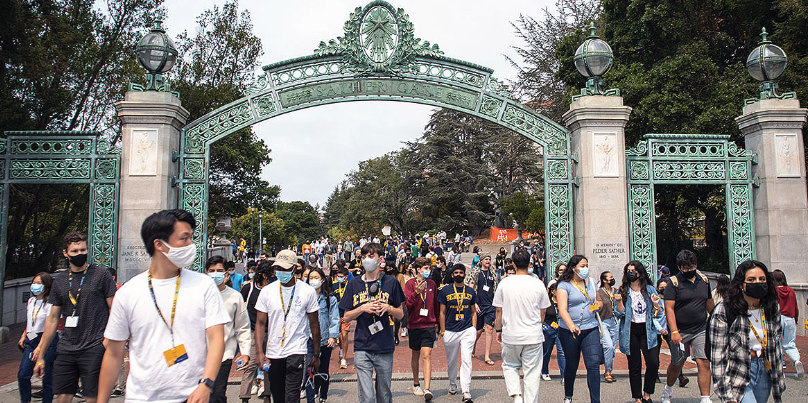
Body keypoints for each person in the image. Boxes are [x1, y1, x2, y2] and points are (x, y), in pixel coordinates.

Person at [97, 209, 230, 403]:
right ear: (159, 244)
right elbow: (113, 353)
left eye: (191, 238)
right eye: (184, 239)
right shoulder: (128, 293)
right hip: (141, 398)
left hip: (193, 396)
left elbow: (217, 337)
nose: (191, 245)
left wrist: (206, 383)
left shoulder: (204, 285)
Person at [33, 231, 117, 403]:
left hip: (94, 345)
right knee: (62, 396)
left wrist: (109, 339)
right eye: (75, 251)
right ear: (65, 253)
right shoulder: (60, 280)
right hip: (66, 347)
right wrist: (41, 354)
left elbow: (115, 309)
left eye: (82, 250)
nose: (80, 254)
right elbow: (53, 319)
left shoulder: (101, 275)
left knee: (92, 397)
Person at [709, 260, 787, 403]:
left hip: (765, 368)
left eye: (762, 279)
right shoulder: (725, 310)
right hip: (739, 370)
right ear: (741, 284)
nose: (757, 283)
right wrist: (726, 394)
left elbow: (776, 345)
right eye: (751, 280)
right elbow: (717, 356)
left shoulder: (772, 307)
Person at [339, 242, 405, 403]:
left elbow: (401, 314)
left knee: (384, 393)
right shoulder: (354, 283)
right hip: (362, 345)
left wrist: (388, 308)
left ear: (380, 259)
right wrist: (362, 308)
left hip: (384, 345)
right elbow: (346, 317)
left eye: (371, 256)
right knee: (367, 396)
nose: (366, 259)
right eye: (363, 256)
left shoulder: (391, 282)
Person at [254, 249, 321, 403]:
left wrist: (316, 354)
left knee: (292, 396)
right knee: (278, 396)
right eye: (278, 268)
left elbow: (314, 324)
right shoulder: (267, 291)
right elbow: (260, 323)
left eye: (285, 269)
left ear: (294, 268)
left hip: (296, 350)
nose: (281, 272)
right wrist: (259, 352)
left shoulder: (307, 291)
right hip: (274, 351)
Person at [493, 249, 551, 403]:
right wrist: (537, 324)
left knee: (510, 365)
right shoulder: (538, 283)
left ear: (513, 264)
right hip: (533, 334)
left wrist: (498, 329)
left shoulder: (505, 283)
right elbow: (543, 310)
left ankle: (516, 394)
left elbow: (499, 309)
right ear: (529, 263)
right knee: (532, 372)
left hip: (511, 333)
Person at [661, 250, 714, 403]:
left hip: (700, 328)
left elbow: (709, 303)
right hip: (680, 330)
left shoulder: (704, 280)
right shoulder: (673, 283)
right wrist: (674, 332)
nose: (689, 270)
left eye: (692, 267)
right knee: (677, 363)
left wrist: (716, 318)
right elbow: (669, 309)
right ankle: (668, 389)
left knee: (703, 361)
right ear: (679, 267)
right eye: (686, 268)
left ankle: (705, 397)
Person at [614, 261, 664, 403]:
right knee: (634, 366)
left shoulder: (650, 290)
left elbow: (658, 313)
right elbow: (619, 314)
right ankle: (638, 397)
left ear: (640, 273)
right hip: (631, 330)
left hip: (648, 330)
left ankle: (647, 392)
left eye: (633, 270)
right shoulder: (623, 290)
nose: (631, 273)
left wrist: (656, 305)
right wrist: (618, 302)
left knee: (653, 363)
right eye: (628, 270)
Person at [556, 255, 603, 403]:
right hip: (569, 330)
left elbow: (600, 301)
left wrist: (598, 305)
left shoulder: (592, 282)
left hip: (591, 328)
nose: (585, 269)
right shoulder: (564, 285)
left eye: (586, 265)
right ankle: (568, 396)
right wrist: (571, 325)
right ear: (574, 268)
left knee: (593, 364)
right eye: (582, 266)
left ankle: (596, 400)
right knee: (571, 364)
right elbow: (562, 309)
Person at [205, 255, 251, 403]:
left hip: (224, 353)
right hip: (199, 354)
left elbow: (243, 327)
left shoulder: (234, 297)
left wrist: (245, 353)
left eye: (219, 270)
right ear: (206, 272)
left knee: (217, 394)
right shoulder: (198, 295)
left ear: (226, 273)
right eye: (211, 270)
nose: (215, 274)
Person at [438, 264, 477, 403]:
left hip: (467, 329)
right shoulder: (445, 291)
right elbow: (442, 312)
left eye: (461, 272)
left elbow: (473, 311)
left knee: (467, 359)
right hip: (450, 329)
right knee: (452, 361)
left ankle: (466, 390)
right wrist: (442, 331)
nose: (459, 274)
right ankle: (453, 384)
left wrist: (473, 328)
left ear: (465, 274)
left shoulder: (471, 291)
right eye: (456, 272)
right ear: (452, 275)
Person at [404, 257, 440, 401]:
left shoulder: (432, 284)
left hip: (429, 324)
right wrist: (416, 293)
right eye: (425, 268)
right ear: (418, 269)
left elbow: (435, 304)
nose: (428, 271)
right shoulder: (410, 284)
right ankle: (415, 382)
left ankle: (427, 388)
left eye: (429, 268)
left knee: (427, 355)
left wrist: (437, 322)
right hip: (414, 324)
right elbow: (407, 304)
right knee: (416, 354)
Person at [19, 273, 58, 403]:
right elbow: (30, 321)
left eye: (39, 283)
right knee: (23, 375)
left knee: (46, 376)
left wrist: (40, 347)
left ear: (46, 286)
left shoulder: (50, 304)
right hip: (31, 338)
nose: (35, 286)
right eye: (34, 282)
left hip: (47, 340)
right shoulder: (31, 301)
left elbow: (49, 326)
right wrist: (24, 335)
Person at [304, 268, 340, 403]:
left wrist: (333, 335)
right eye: (310, 277)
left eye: (316, 277)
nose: (313, 280)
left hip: (324, 339)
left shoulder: (329, 298)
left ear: (323, 280)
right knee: (309, 370)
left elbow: (334, 318)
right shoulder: (304, 296)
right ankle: (310, 396)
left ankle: (322, 394)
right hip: (307, 338)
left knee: (323, 369)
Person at [239, 260, 273, 402]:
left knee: (268, 366)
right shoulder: (249, 288)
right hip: (253, 331)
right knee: (251, 364)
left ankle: (267, 395)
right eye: (272, 274)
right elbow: (240, 308)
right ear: (265, 275)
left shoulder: (273, 289)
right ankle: (244, 396)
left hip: (271, 332)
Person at [465, 253, 498, 366]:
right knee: (478, 331)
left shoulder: (492, 273)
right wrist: (474, 303)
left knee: (489, 329)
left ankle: (487, 356)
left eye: (489, 259)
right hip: (479, 305)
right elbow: (470, 287)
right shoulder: (475, 272)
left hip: (490, 305)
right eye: (486, 259)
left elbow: (495, 288)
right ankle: (472, 347)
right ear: (481, 261)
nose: (488, 261)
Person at [772, 269, 803, 378]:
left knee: (777, 341)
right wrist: (796, 319)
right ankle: (796, 360)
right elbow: (795, 307)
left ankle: (781, 363)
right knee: (790, 343)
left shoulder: (773, 291)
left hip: (778, 318)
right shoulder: (791, 291)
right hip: (790, 318)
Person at [598, 271, 620, 383]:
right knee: (608, 346)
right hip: (603, 321)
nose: (612, 279)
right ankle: (607, 371)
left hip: (614, 321)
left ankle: (609, 367)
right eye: (610, 277)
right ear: (604, 280)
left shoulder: (616, 291)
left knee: (613, 348)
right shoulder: (599, 292)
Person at [541, 283, 566, 382]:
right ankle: (545, 371)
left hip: (561, 328)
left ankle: (564, 375)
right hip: (549, 329)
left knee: (562, 352)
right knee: (546, 351)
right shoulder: (547, 302)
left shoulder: (563, 302)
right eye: (557, 290)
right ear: (552, 291)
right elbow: (543, 314)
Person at [333, 267, 351, 369]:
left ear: (346, 277)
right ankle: (341, 348)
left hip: (346, 314)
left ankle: (344, 358)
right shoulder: (334, 286)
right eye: (337, 276)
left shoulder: (350, 286)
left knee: (344, 335)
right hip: (336, 314)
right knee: (338, 335)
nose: (338, 278)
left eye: (340, 277)